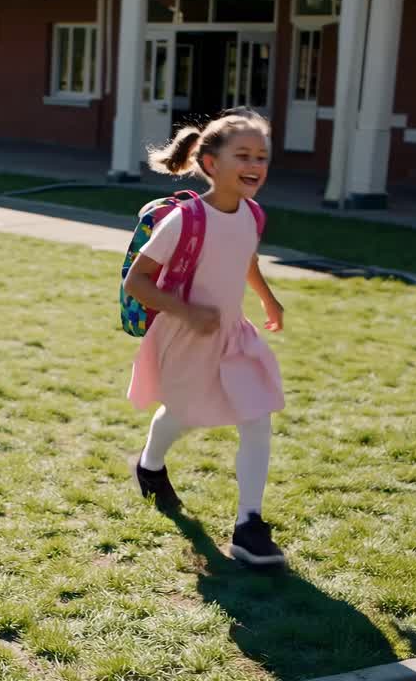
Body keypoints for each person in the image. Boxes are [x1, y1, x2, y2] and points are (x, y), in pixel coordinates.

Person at [123, 108, 288, 567]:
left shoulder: (253, 214)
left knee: (257, 418)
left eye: (262, 155)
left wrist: (268, 300)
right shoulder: (186, 219)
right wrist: (188, 312)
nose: (255, 163)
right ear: (211, 163)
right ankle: (150, 465)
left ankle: (248, 526)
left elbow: (244, 259)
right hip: (186, 335)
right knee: (184, 414)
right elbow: (137, 282)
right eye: (243, 155)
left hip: (233, 334)